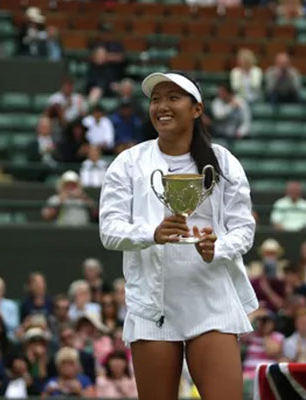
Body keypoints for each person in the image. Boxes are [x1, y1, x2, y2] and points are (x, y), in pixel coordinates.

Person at [99, 71, 258, 399]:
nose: (162, 106)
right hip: (151, 307)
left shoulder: (224, 161)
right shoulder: (127, 163)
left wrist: (219, 246)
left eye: (173, 98)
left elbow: (244, 228)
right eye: (156, 99)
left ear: (197, 109)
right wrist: (152, 234)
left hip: (212, 300)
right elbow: (109, 231)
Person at [241, 311, 284, 380]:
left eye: (267, 321)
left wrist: (265, 334)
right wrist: (254, 315)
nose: (264, 324)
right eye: (261, 321)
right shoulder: (252, 335)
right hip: (248, 372)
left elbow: (271, 352)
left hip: (265, 373)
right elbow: (241, 333)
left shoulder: (277, 336)